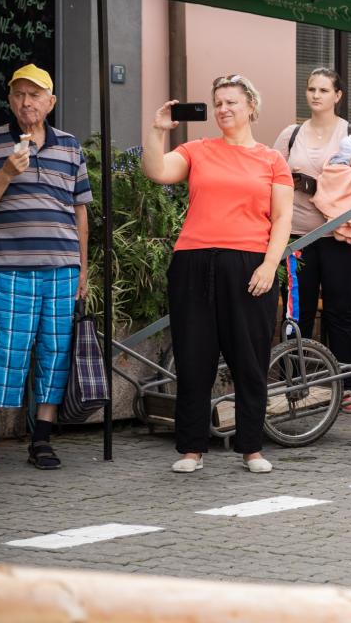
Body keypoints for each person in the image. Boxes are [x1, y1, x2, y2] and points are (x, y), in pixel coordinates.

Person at [143, 75, 293, 474]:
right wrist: (157, 130)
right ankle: (191, 449)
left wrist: (269, 264)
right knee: (193, 358)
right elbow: (157, 171)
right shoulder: (197, 150)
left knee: (249, 360)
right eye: (218, 103)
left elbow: (282, 218)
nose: (223, 109)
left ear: (251, 106)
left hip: (249, 265)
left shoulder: (272, 160)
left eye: (231, 102)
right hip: (193, 262)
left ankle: (252, 449)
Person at [0, 64, 91, 472]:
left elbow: (80, 212)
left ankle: (42, 440)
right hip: (8, 267)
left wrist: (83, 270)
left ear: (50, 102)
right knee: (0, 350)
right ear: (9, 100)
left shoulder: (69, 146)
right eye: (19, 94)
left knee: (55, 353)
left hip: (62, 269)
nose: (26, 102)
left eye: (34, 95)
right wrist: (6, 173)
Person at [273, 68, 351, 414]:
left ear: (338, 96)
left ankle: (346, 388)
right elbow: (272, 178)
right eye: (311, 89)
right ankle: (294, 385)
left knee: (341, 311)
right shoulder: (290, 135)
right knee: (297, 313)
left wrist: (341, 180)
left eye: (323, 90)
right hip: (298, 237)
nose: (316, 95)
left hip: (345, 236)